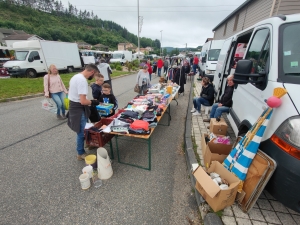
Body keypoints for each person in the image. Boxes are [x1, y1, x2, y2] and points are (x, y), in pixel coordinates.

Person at [67, 64, 100, 161]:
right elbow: (83, 101)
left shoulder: (75, 76)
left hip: (73, 104)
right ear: (92, 72)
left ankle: (88, 143)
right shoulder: (82, 81)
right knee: (81, 132)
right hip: (78, 107)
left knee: (84, 128)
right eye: (94, 75)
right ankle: (80, 153)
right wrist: (93, 102)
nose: (93, 77)